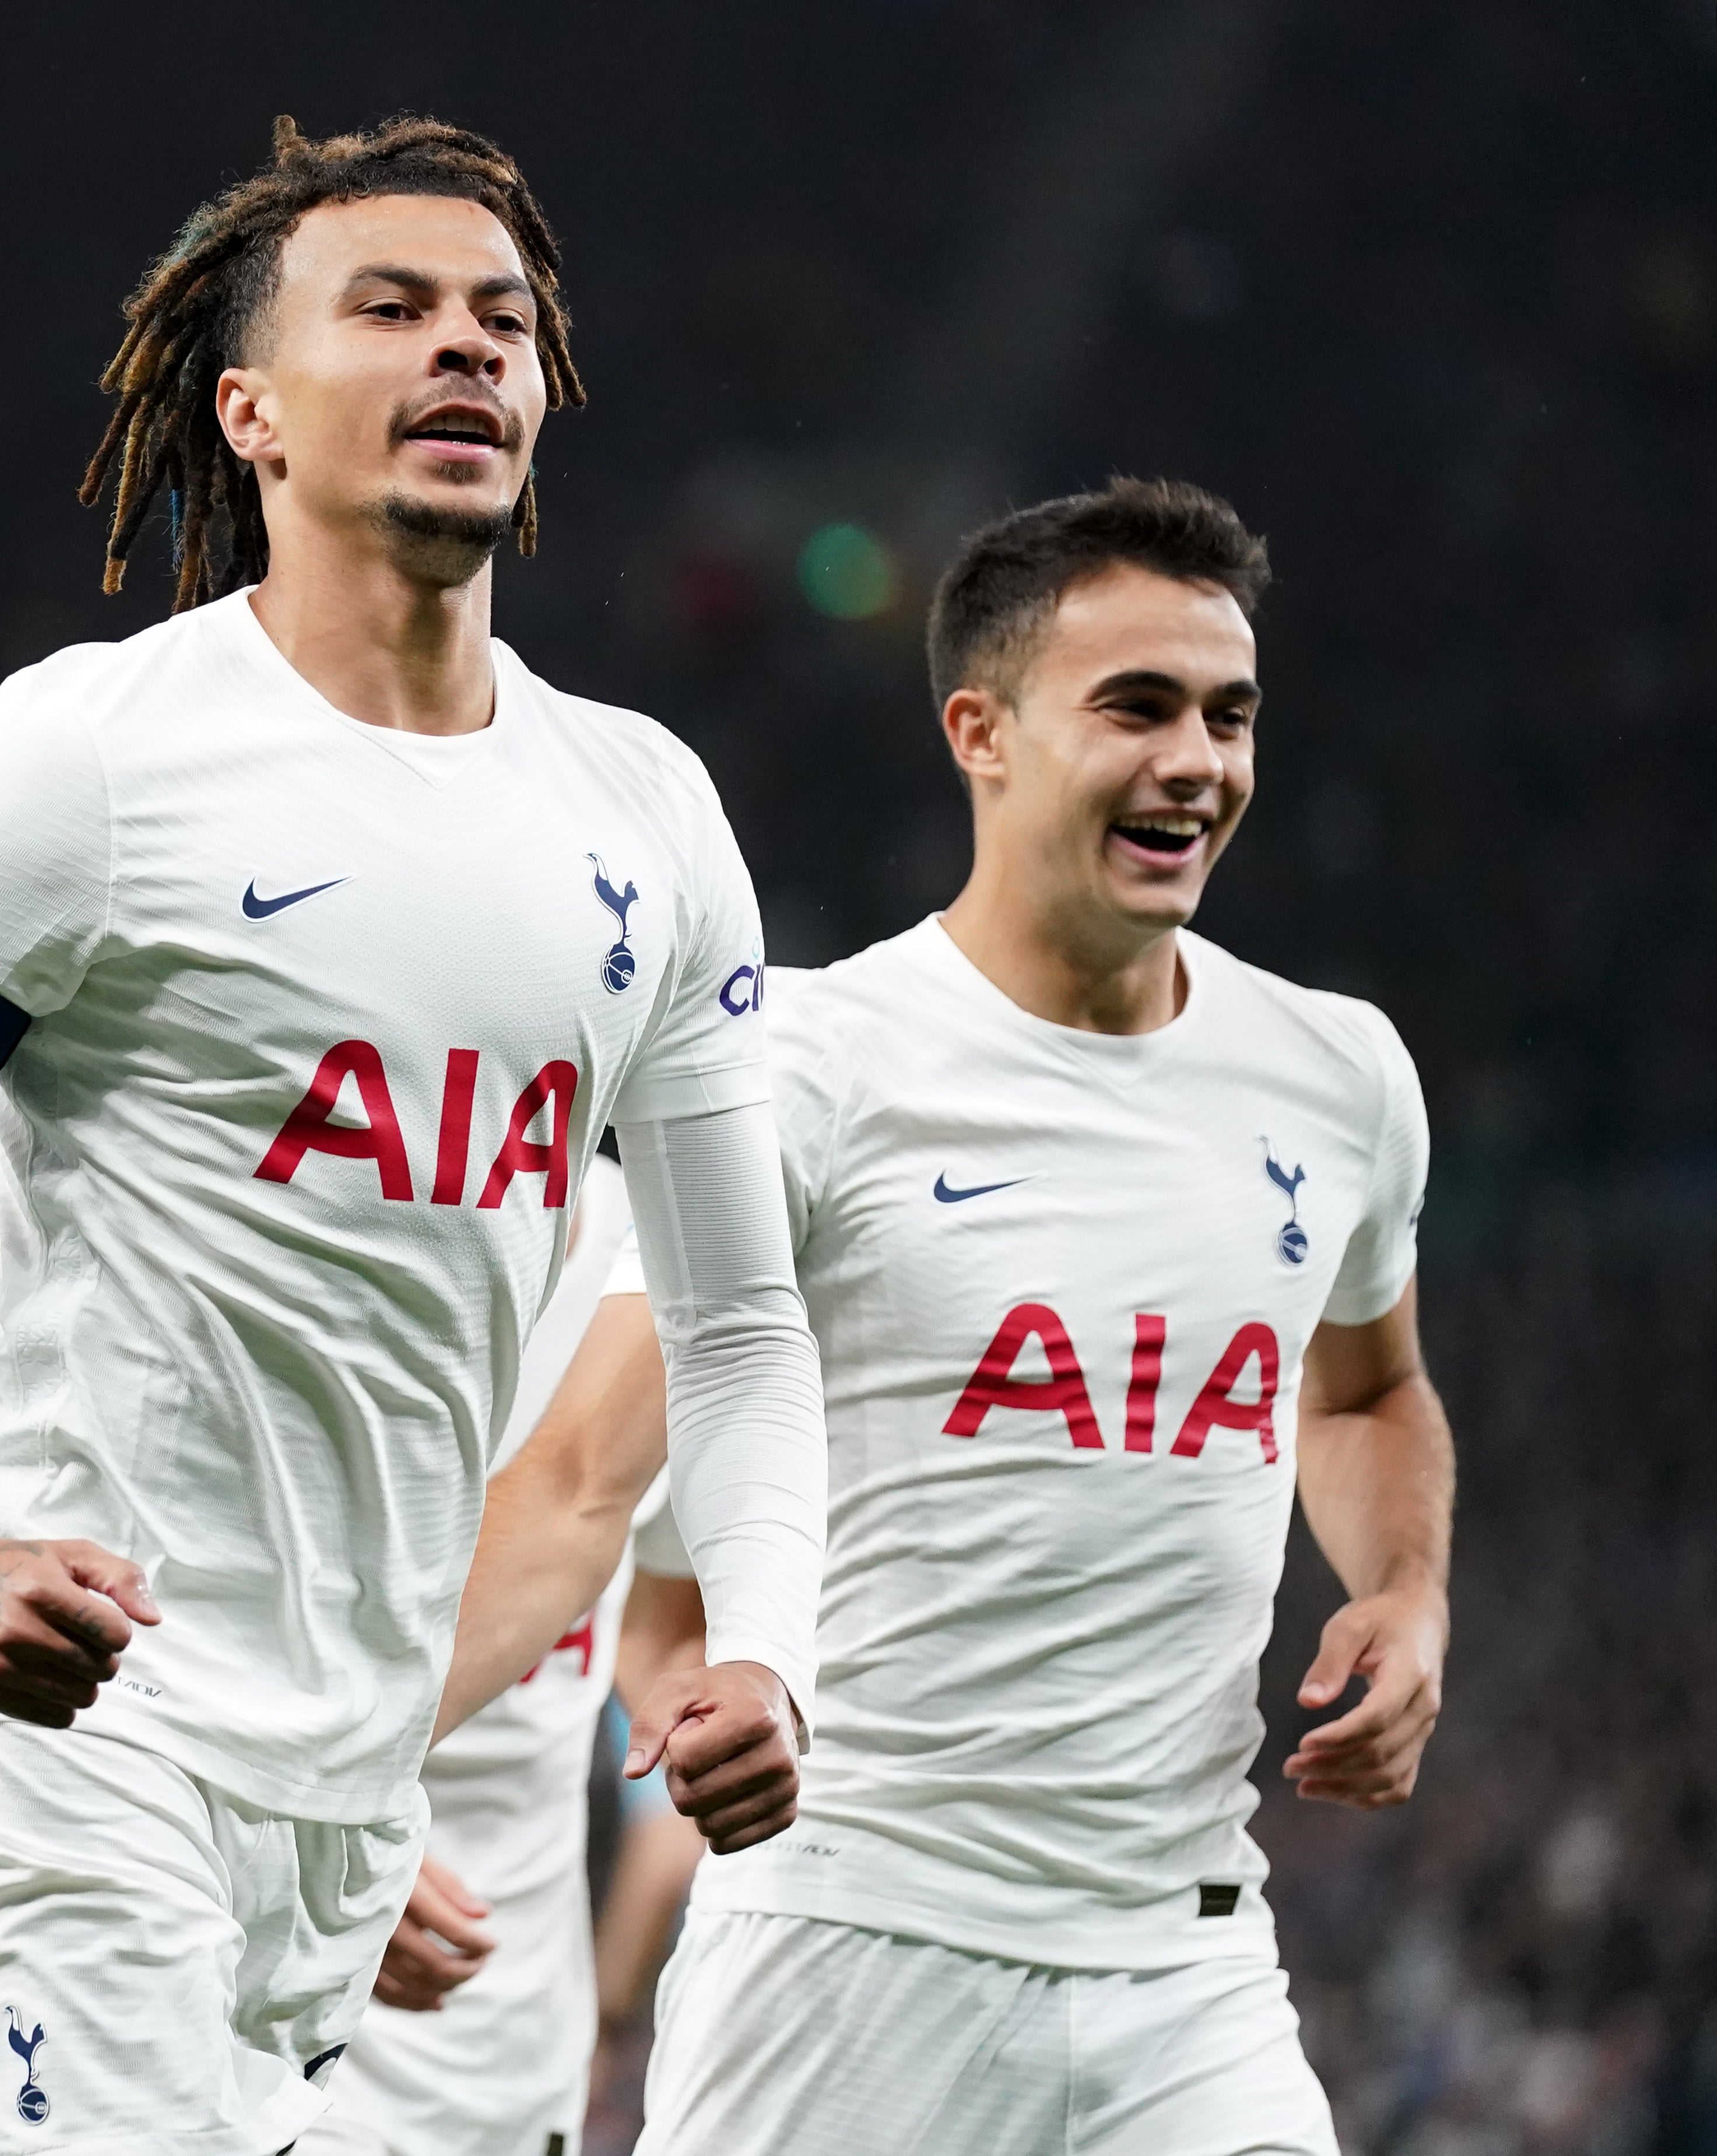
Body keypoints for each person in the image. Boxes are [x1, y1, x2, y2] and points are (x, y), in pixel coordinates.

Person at [0, 113, 826, 2156]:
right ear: (250, 412)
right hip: (63, 1713)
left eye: (502, 321)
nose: (464, 351)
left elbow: (737, 1324)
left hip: (348, 1776)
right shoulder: (82, 764)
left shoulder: (648, 816)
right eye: (388, 310)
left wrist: (762, 1645)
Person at [456, 478, 1451, 2155]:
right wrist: (320, 1805)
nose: (1195, 762)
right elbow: (577, 1489)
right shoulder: (801, 1071)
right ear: (980, 731)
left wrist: (1408, 1596)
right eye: (1134, 707)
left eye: (1228, 714)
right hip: (852, 1965)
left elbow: (1362, 1397)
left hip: (1187, 1974)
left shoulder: (1339, 1073)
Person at [300, 1176, 684, 2156]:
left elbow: (667, 1627)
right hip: (257, 1981)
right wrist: (317, 1822)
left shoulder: (666, 1248)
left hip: (513, 2047)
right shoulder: (285, 1229)